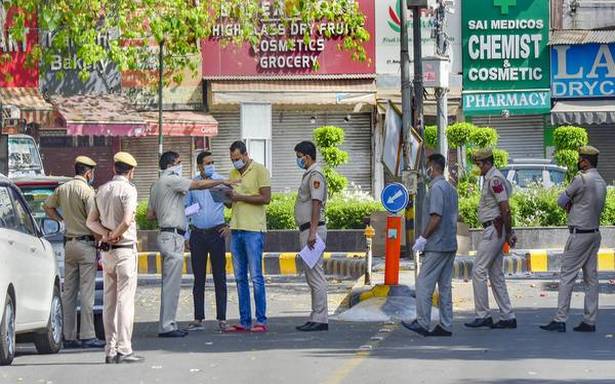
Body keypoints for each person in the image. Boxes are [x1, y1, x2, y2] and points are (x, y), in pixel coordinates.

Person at [147, 151, 236, 338]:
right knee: (181, 282)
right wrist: (222, 182)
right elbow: (196, 186)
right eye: (179, 162)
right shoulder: (173, 180)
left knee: (172, 283)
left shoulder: (156, 184)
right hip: (183, 235)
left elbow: (150, 215)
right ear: (172, 165)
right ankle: (170, 325)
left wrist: (171, 210)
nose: (181, 166)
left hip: (192, 233)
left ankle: (217, 318)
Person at [541, 146, 606, 333]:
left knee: (567, 275)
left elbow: (561, 201)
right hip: (594, 234)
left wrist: (571, 203)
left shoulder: (581, 179)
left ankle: (560, 319)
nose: (579, 161)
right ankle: (590, 320)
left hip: (579, 235)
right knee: (591, 279)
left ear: (585, 161)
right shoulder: (601, 181)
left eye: (580, 159)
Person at [86, 152, 143, 364]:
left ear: (113, 169)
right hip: (125, 250)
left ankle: (109, 349)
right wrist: (117, 233)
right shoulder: (129, 190)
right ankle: (124, 348)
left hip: (107, 252)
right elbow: (127, 221)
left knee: (109, 303)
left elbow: (90, 222)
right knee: (124, 301)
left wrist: (105, 234)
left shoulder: (102, 190)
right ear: (131, 171)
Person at [43, 156, 105, 349]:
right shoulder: (87, 192)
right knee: (86, 292)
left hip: (69, 244)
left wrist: (61, 220)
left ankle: (68, 336)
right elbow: (92, 220)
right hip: (86, 244)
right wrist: (100, 239)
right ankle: (87, 335)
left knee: (69, 293)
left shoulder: (63, 188)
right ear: (88, 173)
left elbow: (47, 206)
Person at [402, 154, 458, 337]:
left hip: (437, 244)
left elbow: (436, 217)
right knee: (445, 287)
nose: (426, 171)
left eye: (427, 167)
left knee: (424, 284)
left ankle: (422, 322)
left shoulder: (435, 189)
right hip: (450, 243)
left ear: (432, 168)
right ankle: (446, 324)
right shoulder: (450, 188)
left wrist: (423, 238)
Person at [465, 148, 517, 330]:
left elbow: (505, 207)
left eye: (479, 164)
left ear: (487, 162)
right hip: (496, 229)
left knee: (478, 270)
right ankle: (507, 316)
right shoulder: (491, 178)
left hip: (494, 229)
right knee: (495, 274)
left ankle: (483, 315)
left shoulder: (494, 179)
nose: (478, 168)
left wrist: (509, 232)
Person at [226, 141, 271, 333]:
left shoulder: (260, 170)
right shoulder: (233, 174)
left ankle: (260, 320)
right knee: (239, 278)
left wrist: (240, 197)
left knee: (256, 277)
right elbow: (231, 203)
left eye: (237, 158)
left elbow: (265, 198)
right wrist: (225, 196)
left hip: (253, 230)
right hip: (235, 228)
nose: (235, 162)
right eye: (232, 159)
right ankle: (244, 320)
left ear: (245, 154)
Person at [184, 151, 229, 332]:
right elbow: (186, 210)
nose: (211, 165)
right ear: (199, 166)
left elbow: (233, 203)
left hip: (216, 232)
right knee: (199, 278)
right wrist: (187, 235)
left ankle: (222, 318)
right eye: (207, 163)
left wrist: (230, 225)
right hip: (197, 234)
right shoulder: (193, 184)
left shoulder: (221, 181)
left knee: (220, 277)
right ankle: (198, 317)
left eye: (213, 162)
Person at [293, 141, 329, 332]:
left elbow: (316, 203)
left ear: (307, 156)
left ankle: (321, 318)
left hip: (312, 230)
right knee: (311, 275)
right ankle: (316, 315)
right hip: (308, 230)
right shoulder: (308, 175)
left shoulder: (315, 175)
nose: (298, 160)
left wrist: (313, 232)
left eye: (299, 156)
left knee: (316, 275)